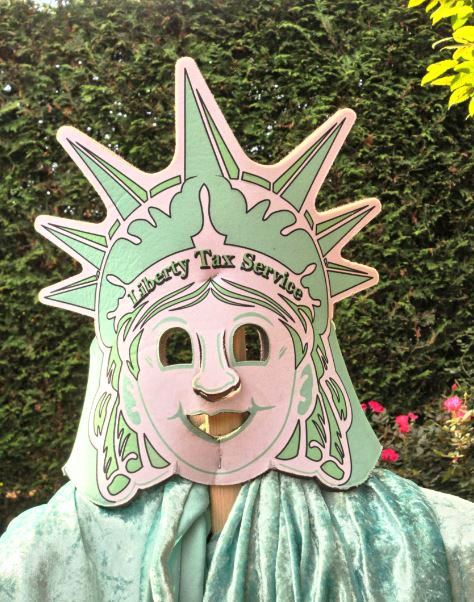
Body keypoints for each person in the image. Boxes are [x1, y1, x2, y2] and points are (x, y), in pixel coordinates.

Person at [1, 58, 472, 601]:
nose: (216, 382)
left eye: (253, 343)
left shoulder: (430, 537)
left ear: (307, 379)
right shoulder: (40, 550)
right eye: (175, 348)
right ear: (127, 389)